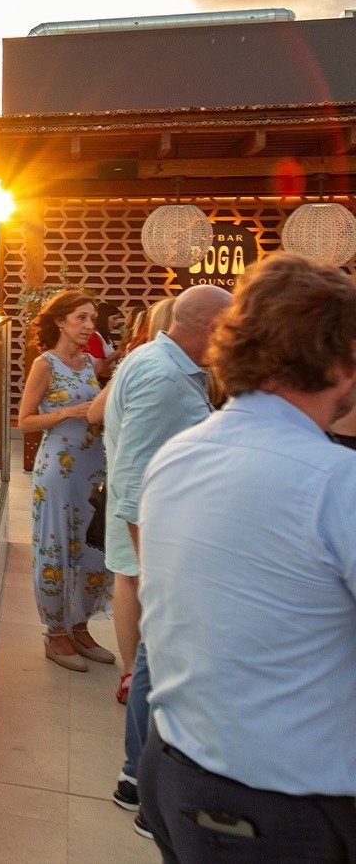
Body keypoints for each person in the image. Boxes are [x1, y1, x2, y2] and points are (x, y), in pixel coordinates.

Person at [138, 254, 356, 861]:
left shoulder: (180, 454)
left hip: (177, 770)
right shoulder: (336, 483)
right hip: (281, 810)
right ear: (341, 359)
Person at [101, 284, 231, 836]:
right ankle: (141, 783)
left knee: (157, 662)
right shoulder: (162, 376)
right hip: (156, 538)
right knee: (157, 662)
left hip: (161, 535)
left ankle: (138, 779)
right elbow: (134, 476)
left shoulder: (159, 362)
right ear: (208, 329)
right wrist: (153, 565)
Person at [17, 289, 112, 671]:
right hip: (57, 468)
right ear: (60, 321)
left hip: (92, 467)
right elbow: (25, 421)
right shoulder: (45, 364)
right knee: (56, 545)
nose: (90, 326)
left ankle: (80, 624)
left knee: (93, 549)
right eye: (82, 318)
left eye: (93, 319)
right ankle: (55, 632)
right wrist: (69, 411)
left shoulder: (91, 364)